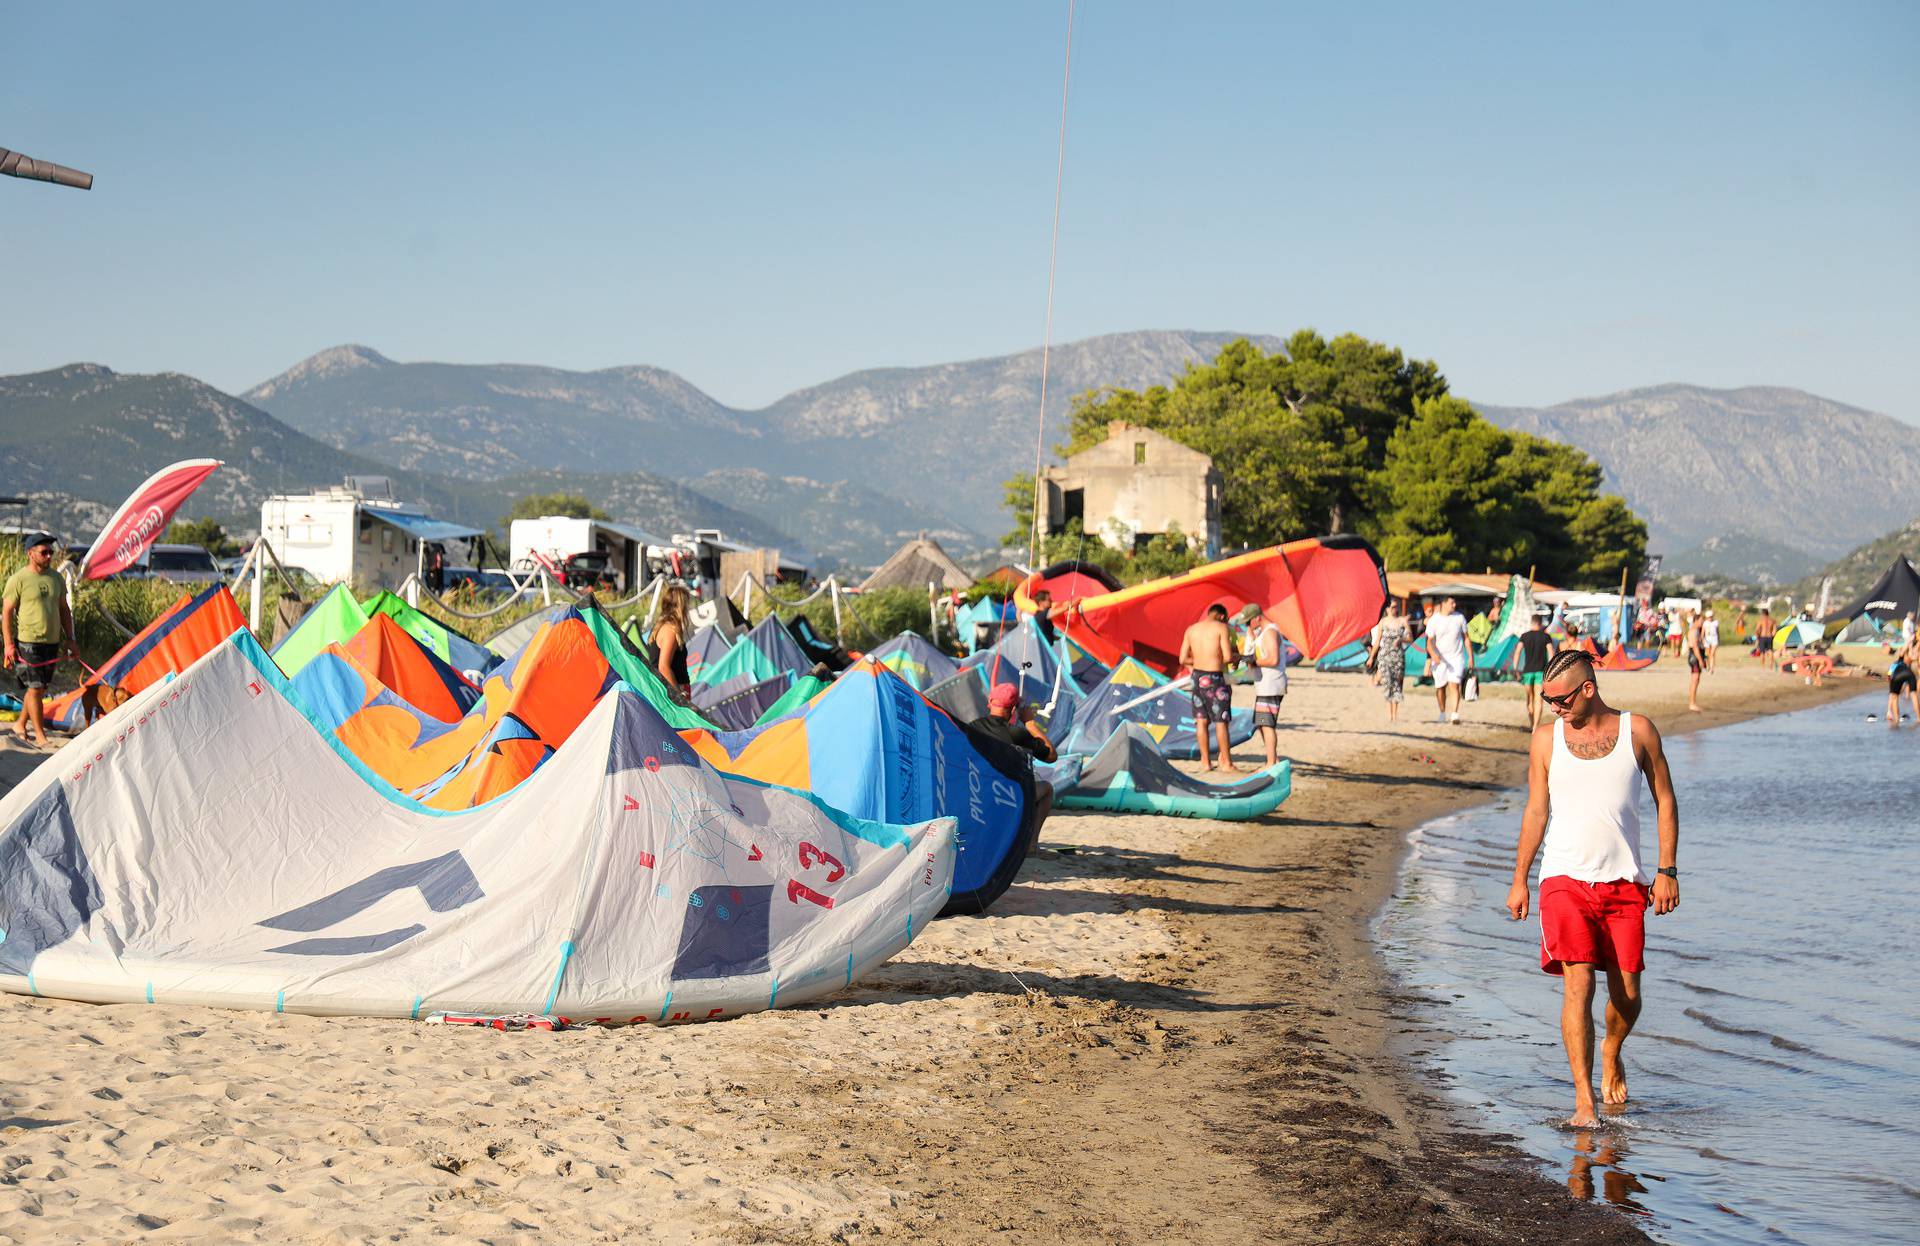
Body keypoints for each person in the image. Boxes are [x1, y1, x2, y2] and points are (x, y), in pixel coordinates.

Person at [1506, 651, 1680, 1128]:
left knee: (1627, 994)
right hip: (1563, 880)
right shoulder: (1545, 741)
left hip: (1625, 882)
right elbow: (1536, 811)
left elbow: (1666, 799)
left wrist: (1668, 870)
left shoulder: (1637, 731)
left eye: (1560, 699)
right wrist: (1520, 878)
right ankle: (1584, 1100)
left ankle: (1611, 1047)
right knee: (1577, 983)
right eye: (1546, 698)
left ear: (1588, 689)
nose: (1552, 708)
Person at [4, 532, 78, 748]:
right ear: (30, 553)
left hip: (51, 641)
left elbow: (64, 610)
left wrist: (71, 639)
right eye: (44, 552)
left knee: (40, 688)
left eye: (50, 552)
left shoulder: (56, 578)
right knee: (36, 688)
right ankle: (40, 735)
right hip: (28, 642)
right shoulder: (19, 579)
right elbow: (7, 613)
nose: (49, 556)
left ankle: (19, 725)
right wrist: (9, 645)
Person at [968, 683, 1056, 831]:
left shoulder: (972, 727)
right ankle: (1031, 846)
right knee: (1046, 788)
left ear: (990, 702)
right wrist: (1030, 723)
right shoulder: (1016, 734)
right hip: (1006, 797)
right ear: (1014, 709)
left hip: (975, 794)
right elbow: (1051, 756)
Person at [1179, 603, 1239, 771]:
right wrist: (1238, 657)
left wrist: (1199, 660)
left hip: (1197, 678)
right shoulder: (1221, 628)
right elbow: (1227, 657)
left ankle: (1205, 762)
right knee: (1221, 721)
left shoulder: (1191, 630)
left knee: (1201, 721)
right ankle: (1226, 762)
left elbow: (1182, 659)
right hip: (1215, 678)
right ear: (1221, 616)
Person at [1238, 604, 1286, 765]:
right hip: (1265, 685)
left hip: (1271, 685)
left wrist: (1254, 662)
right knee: (1261, 724)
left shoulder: (1270, 632)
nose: (1247, 626)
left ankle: (1271, 762)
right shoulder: (1262, 633)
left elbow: (1273, 659)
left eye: (1248, 622)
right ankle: (1273, 759)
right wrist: (1250, 637)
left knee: (1267, 724)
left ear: (1257, 618)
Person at [1425, 596, 1473, 725]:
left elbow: (1466, 638)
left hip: (1456, 657)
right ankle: (1442, 712)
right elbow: (1429, 642)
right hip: (1440, 659)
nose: (1454, 605)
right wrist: (1433, 655)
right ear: (1444, 604)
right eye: (1452, 602)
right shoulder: (1434, 620)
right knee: (1440, 687)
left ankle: (1455, 714)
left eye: (1454, 602)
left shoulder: (1460, 618)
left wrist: (1471, 657)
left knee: (1454, 684)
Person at [1368, 600, 1411, 725]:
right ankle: (1389, 715)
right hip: (1384, 656)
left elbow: (1410, 638)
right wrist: (1371, 657)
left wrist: (1401, 639)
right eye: (1392, 607)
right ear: (1387, 609)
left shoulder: (1403, 621)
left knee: (1397, 685)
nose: (1395, 609)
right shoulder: (1383, 622)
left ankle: (1395, 715)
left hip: (1398, 657)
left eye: (1396, 607)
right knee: (1387, 683)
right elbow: (1377, 642)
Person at [1515, 613, 1557, 728]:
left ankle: (1531, 723)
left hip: (1527, 671)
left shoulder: (1524, 636)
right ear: (1540, 623)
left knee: (1529, 699)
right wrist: (1552, 668)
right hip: (1540, 671)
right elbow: (1551, 653)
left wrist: (1515, 668)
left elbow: (1517, 651)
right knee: (1539, 700)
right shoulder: (1545, 637)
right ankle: (1535, 727)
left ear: (1531, 622)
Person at [649, 584, 693, 695]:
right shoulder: (670, 631)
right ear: (680, 607)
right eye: (686, 605)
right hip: (673, 690)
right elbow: (663, 667)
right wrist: (678, 696)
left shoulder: (661, 627)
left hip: (665, 690)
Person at [1886, 638, 1918, 728]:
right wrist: (1911, 644)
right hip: (1903, 673)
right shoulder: (1909, 655)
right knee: (1911, 695)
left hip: (1896, 674)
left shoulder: (1900, 658)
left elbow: (1890, 673)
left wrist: (1910, 642)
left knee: (1893, 695)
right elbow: (1914, 657)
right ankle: (1919, 718)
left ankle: (1894, 717)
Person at [1683, 610, 1705, 712]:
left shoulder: (1697, 630)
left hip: (1696, 655)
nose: (1702, 623)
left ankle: (1692, 702)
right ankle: (1692, 703)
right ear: (1696, 621)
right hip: (1694, 657)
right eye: (1701, 621)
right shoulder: (1693, 631)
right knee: (1695, 680)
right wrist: (1700, 660)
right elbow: (1695, 647)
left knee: (1695, 680)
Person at [1701, 603, 1720, 674]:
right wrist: (1703, 640)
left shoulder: (1716, 622)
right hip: (1707, 639)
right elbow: (1702, 633)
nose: (1710, 618)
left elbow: (1718, 632)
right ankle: (1708, 667)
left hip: (1714, 639)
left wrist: (1719, 639)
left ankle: (1712, 668)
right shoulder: (1705, 623)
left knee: (1712, 654)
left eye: (1711, 616)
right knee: (1708, 655)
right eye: (1709, 617)